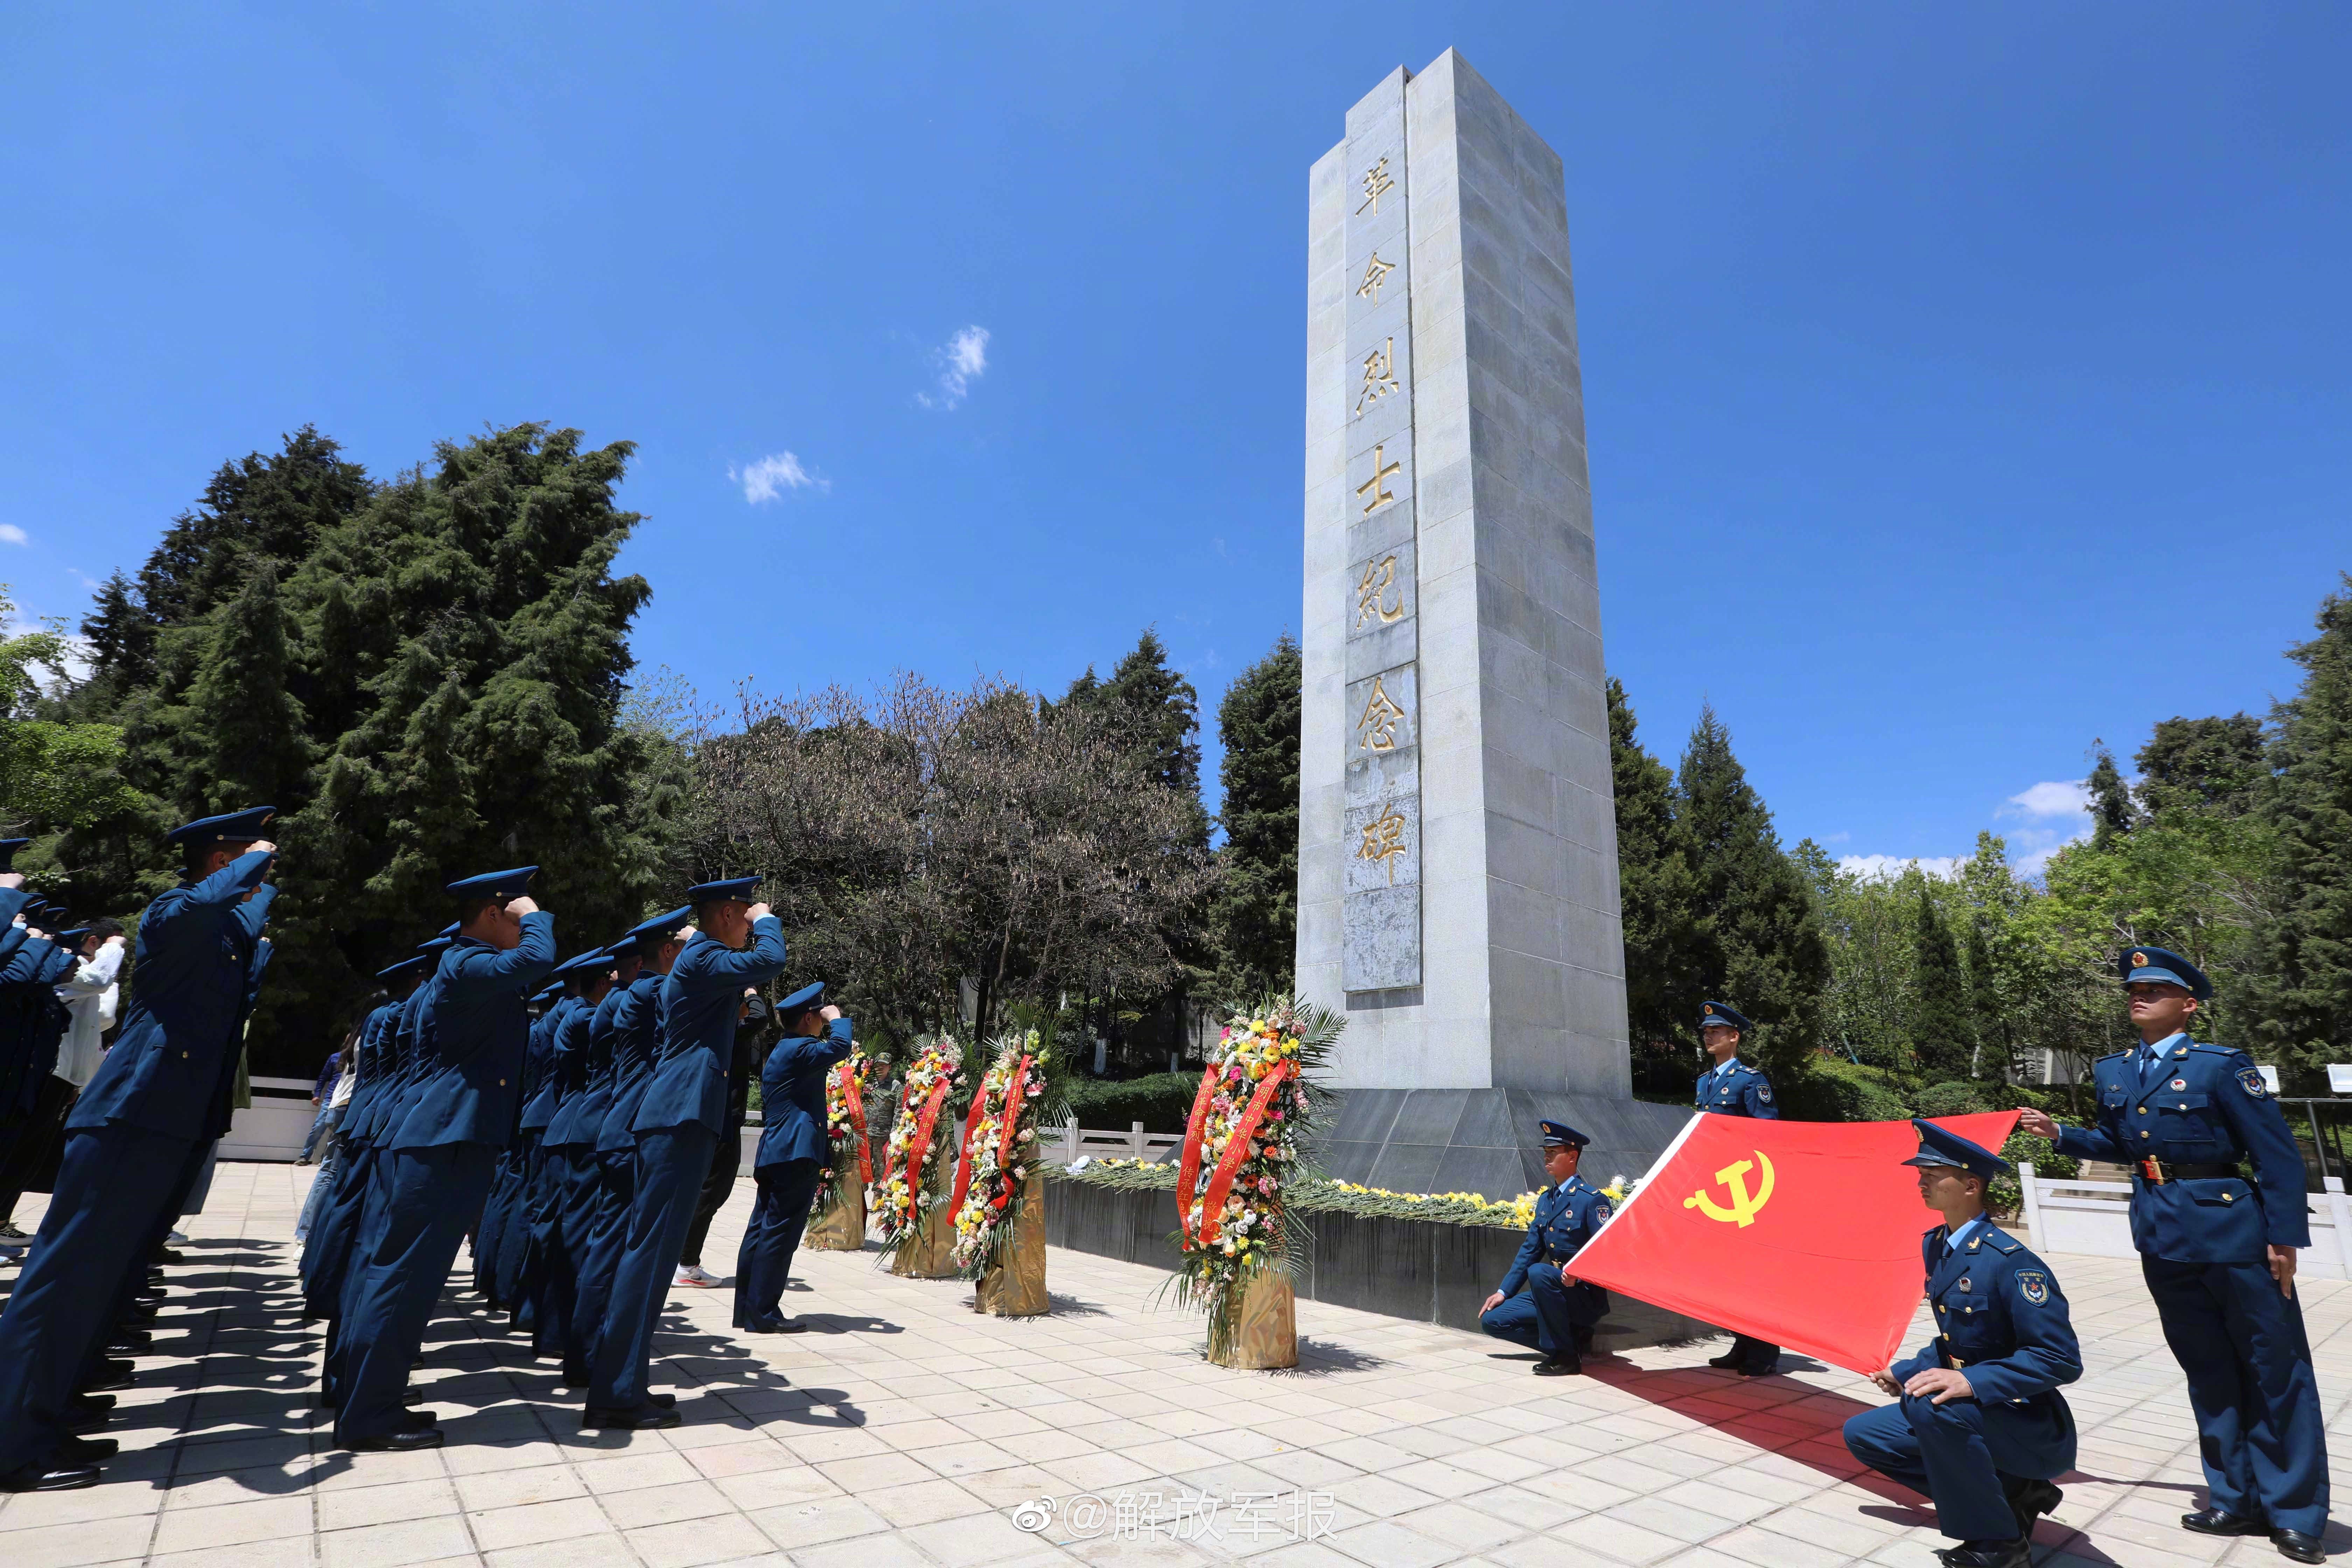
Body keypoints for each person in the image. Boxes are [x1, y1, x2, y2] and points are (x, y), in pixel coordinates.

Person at [2017, 946, 2327, 1564]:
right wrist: (2060, 1134)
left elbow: (2276, 1155)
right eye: (2134, 988)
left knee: (2274, 1371)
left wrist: (2284, 1239)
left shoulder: (2220, 1067)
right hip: (2163, 1235)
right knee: (2209, 1373)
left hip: (2234, 1233)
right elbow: (2117, 1142)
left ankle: (2294, 1513)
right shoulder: (2114, 1071)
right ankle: (2234, 1498)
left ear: (2188, 1004)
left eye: (2155, 988)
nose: (2139, 995)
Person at [0, 807, 277, 1493]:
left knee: (104, 1280)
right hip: (132, 1113)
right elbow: (213, 903)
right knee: (67, 1276)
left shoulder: (221, 929)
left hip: (170, 1118)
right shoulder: (172, 910)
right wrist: (257, 858)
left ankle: (46, 1411)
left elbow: (248, 940)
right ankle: (12, 1440)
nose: (263, 873)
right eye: (250, 859)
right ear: (220, 861)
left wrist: (260, 883)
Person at [332, 868, 554, 1452]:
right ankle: (368, 1415)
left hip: (452, 1137)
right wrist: (537, 917)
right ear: (492, 915)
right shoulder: (467, 962)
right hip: (444, 1140)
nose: (524, 922)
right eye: (514, 913)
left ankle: (375, 1398)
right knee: (404, 1274)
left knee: (410, 1276)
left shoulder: (467, 967)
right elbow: (537, 959)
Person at [587, 877, 785, 1429]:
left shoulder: (699, 959)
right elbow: (771, 958)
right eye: (746, 914)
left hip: (681, 1115)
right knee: (648, 1256)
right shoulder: (702, 957)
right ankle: (615, 1393)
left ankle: (624, 1386)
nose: (752, 922)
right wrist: (769, 922)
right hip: (678, 1117)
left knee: (650, 1257)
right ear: (728, 913)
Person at [1843, 1121, 2078, 1568]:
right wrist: (1906, 1370)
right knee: (1866, 1434)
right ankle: (2012, 1492)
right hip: (1987, 1412)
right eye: (1921, 1172)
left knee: (1936, 1405)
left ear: (1971, 1185)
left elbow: (2059, 1358)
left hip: (2026, 1418)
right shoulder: (1939, 1245)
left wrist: (1970, 1381)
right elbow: (1960, 1340)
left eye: (1934, 1173)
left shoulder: (2012, 1264)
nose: (1921, 1180)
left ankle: (2001, 1545)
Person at [737, 983, 853, 1332]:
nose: (822, 1019)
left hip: (778, 1153)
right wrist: (838, 1019)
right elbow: (841, 1046)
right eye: (818, 1015)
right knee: (780, 1234)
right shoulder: (801, 1049)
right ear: (808, 1018)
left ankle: (749, 1309)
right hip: (794, 1155)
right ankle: (764, 1313)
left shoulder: (786, 1049)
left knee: (761, 1230)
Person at [529, 948, 620, 1380]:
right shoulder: (585, 1018)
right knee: (578, 1238)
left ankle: (550, 1331)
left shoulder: (570, 1016)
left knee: (565, 1232)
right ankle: (564, 1335)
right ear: (602, 983)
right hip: (583, 1126)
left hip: (567, 1122)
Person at [1478, 1119, 1612, 1375]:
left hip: (1582, 1294)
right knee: (1493, 1321)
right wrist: (1504, 1292)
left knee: (1539, 1273)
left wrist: (1578, 1271)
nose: (1547, 1157)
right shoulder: (1546, 1200)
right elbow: (1530, 1250)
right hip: (1552, 1291)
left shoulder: (1592, 1200)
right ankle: (1571, 1341)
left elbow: (1605, 1249)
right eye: (1546, 1152)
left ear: (1572, 1156)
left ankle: (1566, 1358)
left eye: (1554, 1152)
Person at [1692, 1001, 1782, 1376]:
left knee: (1753, 1274)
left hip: (1746, 1191)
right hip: (1717, 1191)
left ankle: (1763, 1350)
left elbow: (1769, 1134)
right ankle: (1741, 1342)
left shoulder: (1750, 1080)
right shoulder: (1704, 1082)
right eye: (1706, 1032)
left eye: (1716, 1031)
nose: (1709, 1036)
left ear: (1734, 1036)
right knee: (1728, 1273)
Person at [676, 989, 768, 1288]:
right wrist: (753, 991)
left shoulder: (715, 1027)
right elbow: (760, 1017)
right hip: (723, 1120)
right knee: (712, 1191)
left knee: (712, 1191)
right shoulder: (725, 1029)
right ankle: (686, 1264)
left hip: (720, 1117)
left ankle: (684, 1260)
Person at [298, 1037, 351, 1164]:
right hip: (330, 1099)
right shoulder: (335, 1058)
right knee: (318, 1128)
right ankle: (305, 1156)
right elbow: (323, 1077)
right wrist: (317, 1094)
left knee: (337, 1131)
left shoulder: (360, 1060)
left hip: (347, 1100)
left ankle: (326, 1159)